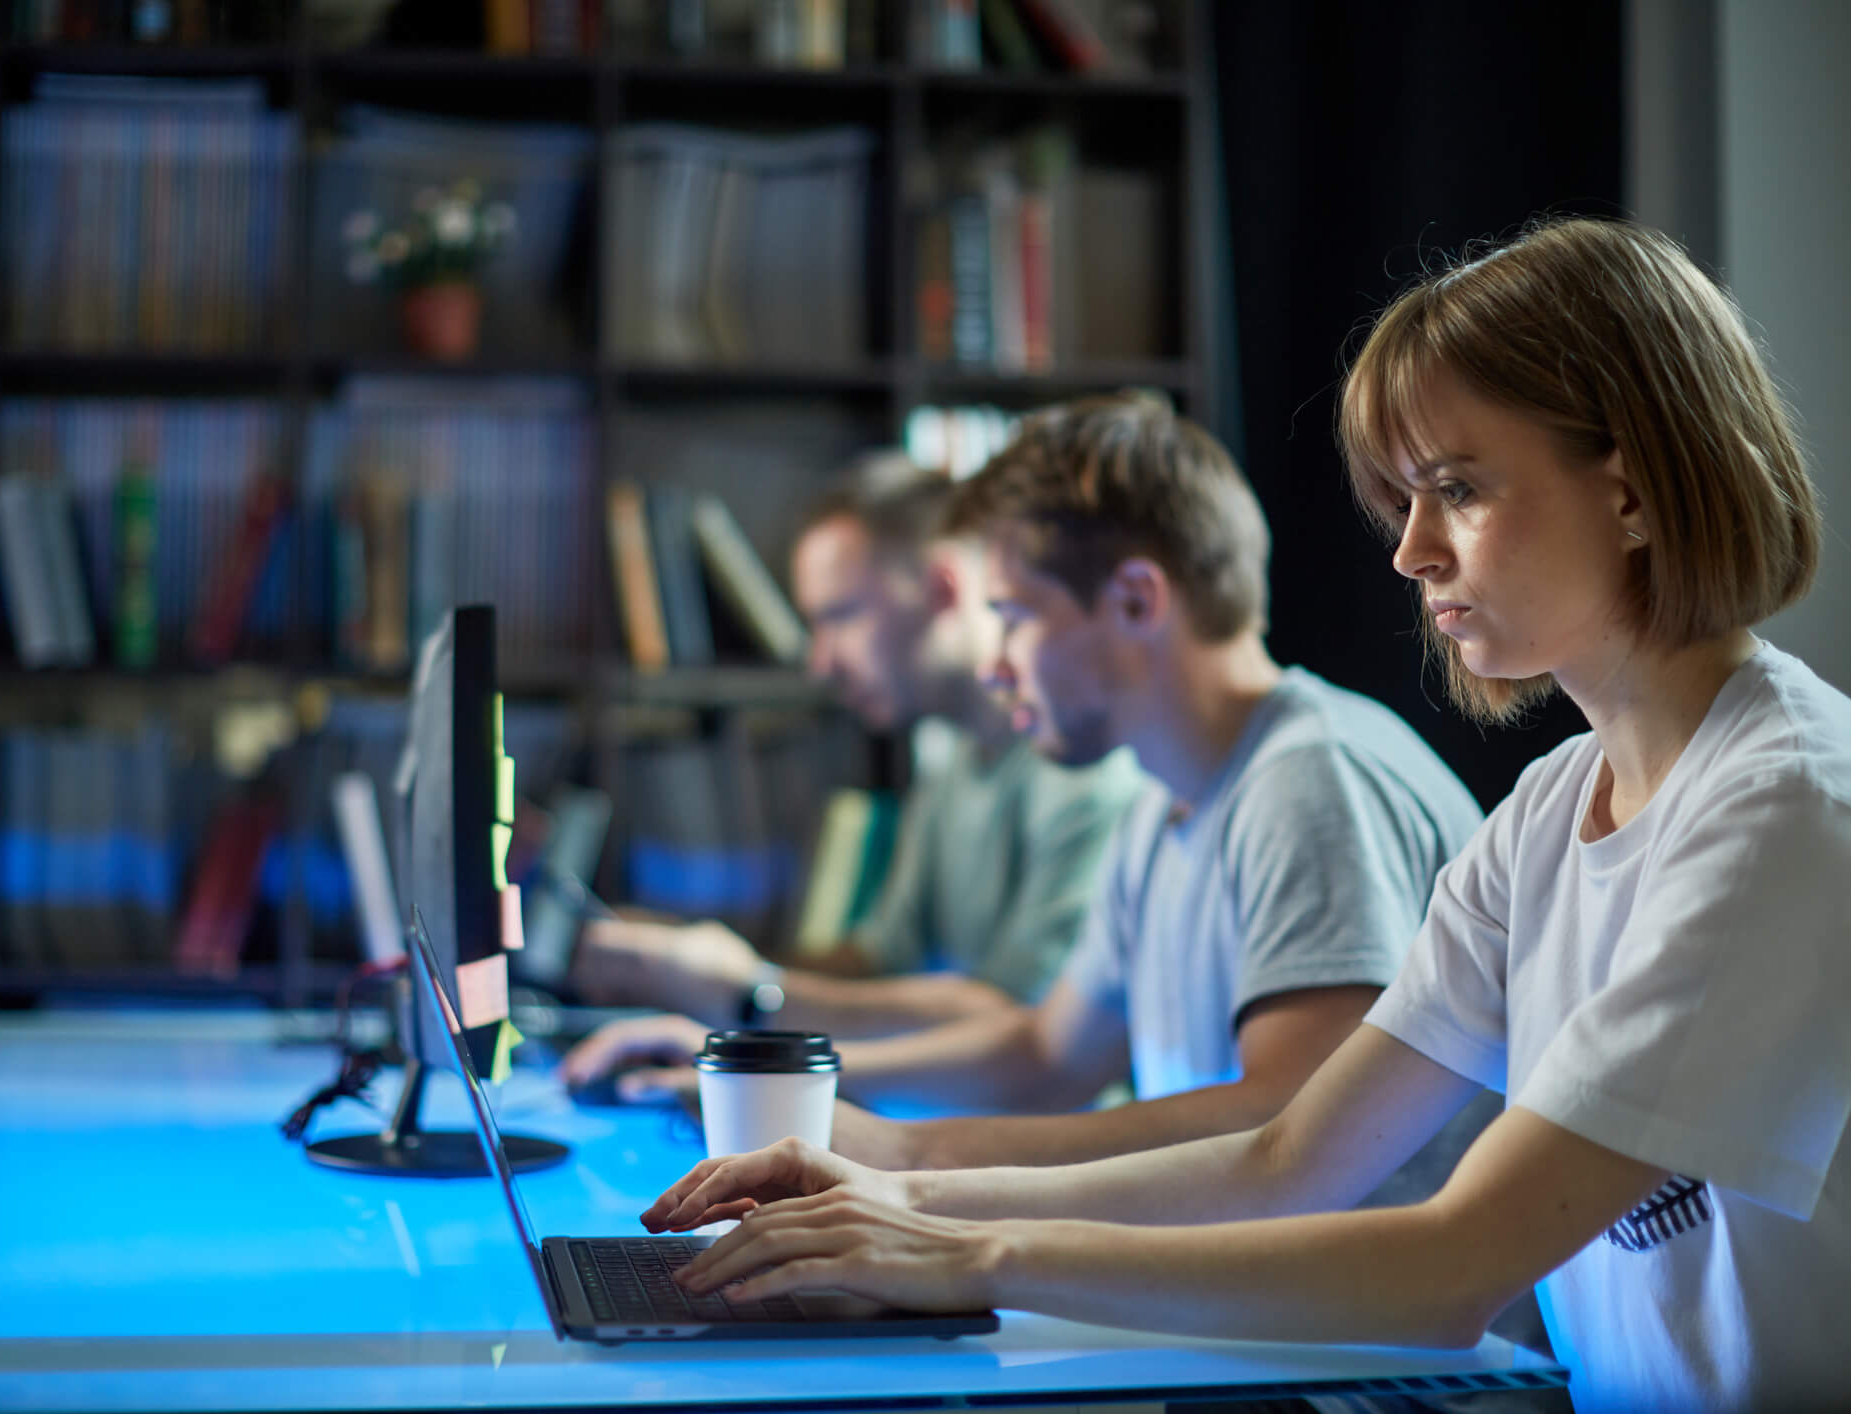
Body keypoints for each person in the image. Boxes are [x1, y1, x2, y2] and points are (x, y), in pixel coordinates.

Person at [636, 218, 1848, 1414]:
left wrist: (967, 1253)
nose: (1411, 551)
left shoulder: (1778, 808)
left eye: (1460, 490)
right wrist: (894, 1197)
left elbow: (1450, 1271)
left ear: (1631, 493)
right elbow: (1288, 1161)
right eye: (1408, 499)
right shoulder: (1546, 812)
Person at [572, 392, 1488, 1194]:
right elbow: (1045, 1057)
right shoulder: (1163, 804)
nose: (997, 664)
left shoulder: (1307, 780)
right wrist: (783, 1088)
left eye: (1012, 617)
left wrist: (904, 1152)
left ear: (1134, 600)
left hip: (1381, 1381)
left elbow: (1278, 1120)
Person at [566, 457, 1141, 1051]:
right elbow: (882, 962)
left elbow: (1023, 1025)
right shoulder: (949, 756)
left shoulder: (1086, 770)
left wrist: (751, 991)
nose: (820, 663)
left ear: (943, 588)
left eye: (841, 617)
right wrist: (683, 966)